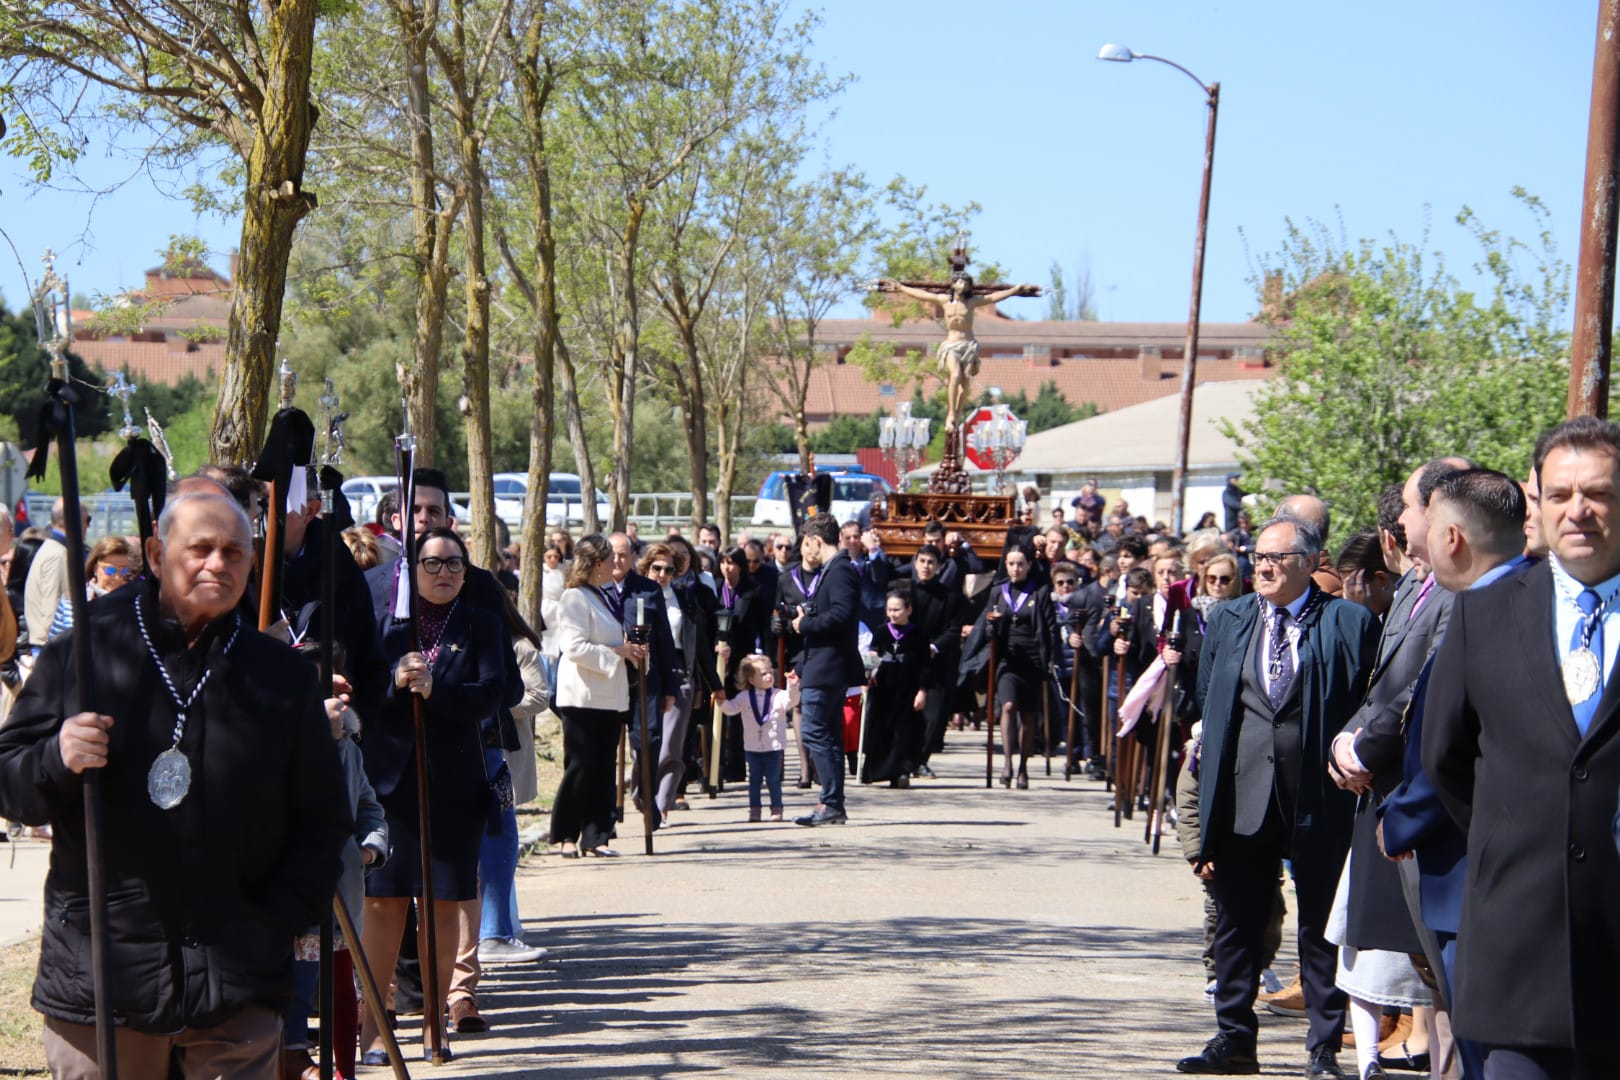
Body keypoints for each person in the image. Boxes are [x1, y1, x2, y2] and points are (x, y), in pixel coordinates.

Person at [0, 490, 352, 1079]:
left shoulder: (283, 676)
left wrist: (274, 922)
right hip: (105, 977)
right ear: (159, 554)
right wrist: (56, 756)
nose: (218, 563)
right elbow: (10, 781)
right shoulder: (87, 649)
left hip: (237, 981)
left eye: (235, 552)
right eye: (201, 549)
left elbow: (322, 820)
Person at [1424, 418, 1620, 1078]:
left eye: (1599, 493)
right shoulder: (1484, 614)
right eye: (1560, 495)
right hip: (1516, 953)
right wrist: (1511, 836)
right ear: (1537, 501)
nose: (1580, 511)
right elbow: (1445, 756)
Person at [1176, 512, 1380, 1079]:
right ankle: (1234, 1039)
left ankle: (1323, 1048)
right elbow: (1211, 702)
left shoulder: (1348, 622)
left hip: (1319, 796)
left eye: (1277, 558)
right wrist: (1207, 814)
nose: (1263, 567)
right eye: (1257, 557)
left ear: (1312, 563)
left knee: (1320, 927)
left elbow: (1368, 701)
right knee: (1238, 922)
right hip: (1245, 796)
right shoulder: (1230, 618)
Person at [1379, 469, 1527, 1080]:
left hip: (1473, 867)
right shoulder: (1508, 601)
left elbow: (1449, 750)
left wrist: (1400, 819)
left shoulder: (1488, 612)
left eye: (1431, 528)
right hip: (1471, 863)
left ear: (1455, 539)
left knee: (1484, 1041)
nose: (1421, 544)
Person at [359, 526, 508, 1062]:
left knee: (443, 901)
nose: (442, 574)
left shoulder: (482, 623)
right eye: (431, 564)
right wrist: (395, 680)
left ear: (466, 572)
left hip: (455, 783)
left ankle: (434, 1024)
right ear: (411, 569)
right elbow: (362, 696)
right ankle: (374, 1025)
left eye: (453, 564)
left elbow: (495, 693)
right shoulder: (386, 626)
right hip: (391, 784)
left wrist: (437, 689)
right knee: (382, 902)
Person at [282, 640, 389, 1080]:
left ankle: (344, 1067)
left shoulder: (350, 750)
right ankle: (292, 1058)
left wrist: (370, 846)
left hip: (343, 884)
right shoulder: (286, 745)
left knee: (343, 984)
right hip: (297, 888)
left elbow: (369, 807)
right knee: (297, 981)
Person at [549, 535, 644, 858]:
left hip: (607, 697)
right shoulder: (574, 597)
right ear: (595, 564)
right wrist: (616, 651)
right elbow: (573, 647)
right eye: (608, 560)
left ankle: (597, 834)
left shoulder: (601, 596)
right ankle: (565, 834)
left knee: (604, 767)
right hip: (582, 696)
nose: (614, 565)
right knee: (581, 766)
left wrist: (628, 651)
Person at [872, 272, 1036, 430]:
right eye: (959, 281)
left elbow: (993, 297)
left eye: (965, 283)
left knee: (965, 381)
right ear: (953, 284)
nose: (962, 285)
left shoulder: (972, 302)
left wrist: (1015, 290)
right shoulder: (944, 301)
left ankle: (958, 413)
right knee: (955, 375)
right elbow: (921, 294)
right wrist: (901, 287)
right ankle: (950, 413)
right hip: (951, 345)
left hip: (968, 345)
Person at [782, 514, 862, 826]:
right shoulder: (834, 570)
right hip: (821, 663)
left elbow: (841, 615)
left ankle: (830, 801)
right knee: (826, 734)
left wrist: (806, 624)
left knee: (815, 730)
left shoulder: (840, 570)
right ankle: (831, 803)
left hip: (829, 667)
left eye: (805, 544)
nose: (804, 551)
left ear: (817, 540)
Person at [962, 546, 1060, 789]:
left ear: (1028, 565)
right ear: (1005, 565)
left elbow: (1050, 629)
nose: (1016, 569)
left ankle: (1023, 768)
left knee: (1028, 716)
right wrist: (991, 628)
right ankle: (1006, 762)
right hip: (1007, 659)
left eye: (1020, 564)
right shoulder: (998, 591)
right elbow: (986, 627)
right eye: (1011, 564)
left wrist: (1049, 660)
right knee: (1008, 706)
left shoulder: (1040, 591)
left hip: (1033, 660)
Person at [859, 588, 929, 788]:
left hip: (908, 687)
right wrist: (868, 676)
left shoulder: (919, 633)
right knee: (882, 729)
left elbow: (925, 665)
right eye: (889, 610)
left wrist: (922, 691)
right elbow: (873, 657)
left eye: (897, 610)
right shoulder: (881, 631)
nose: (893, 614)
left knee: (904, 731)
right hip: (884, 688)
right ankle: (878, 770)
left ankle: (901, 771)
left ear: (908, 609)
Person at [906, 544, 965, 778]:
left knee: (933, 715)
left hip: (936, 660)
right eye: (922, 561)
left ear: (939, 566)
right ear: (915, 562)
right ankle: (906, 758)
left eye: (931, 562)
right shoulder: (905, 591)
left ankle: (922, 759)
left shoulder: (949, 596)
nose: (926, 566)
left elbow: (954, 629)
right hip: (910, 660)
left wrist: (934, 646)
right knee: (908, 713)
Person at [717, 653, 796, 821]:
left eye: (770, 672)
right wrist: (722, 702)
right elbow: (731, 709)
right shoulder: (744, 697)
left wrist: (792, 686)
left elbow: (792, 701)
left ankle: (776, 809)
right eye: (763, 674)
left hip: (773, 747)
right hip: (753, 747)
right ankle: (754, 810)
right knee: (754, 781)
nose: (769, 676)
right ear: (751, 680)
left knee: (774, 781)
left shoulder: (779, 695)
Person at [22, 496, 87, 653]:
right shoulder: (58, 554)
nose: (88, 526)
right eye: (87, 520)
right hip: (51, 648)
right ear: (74, 521)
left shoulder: (53, 549)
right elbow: (52, 609)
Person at [45, 535, 138, 641]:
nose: (117, 577)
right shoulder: (73, 600)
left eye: (124, 571)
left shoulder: (135, 602)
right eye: (110, 570)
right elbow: (58, 644)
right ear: (95, 568)